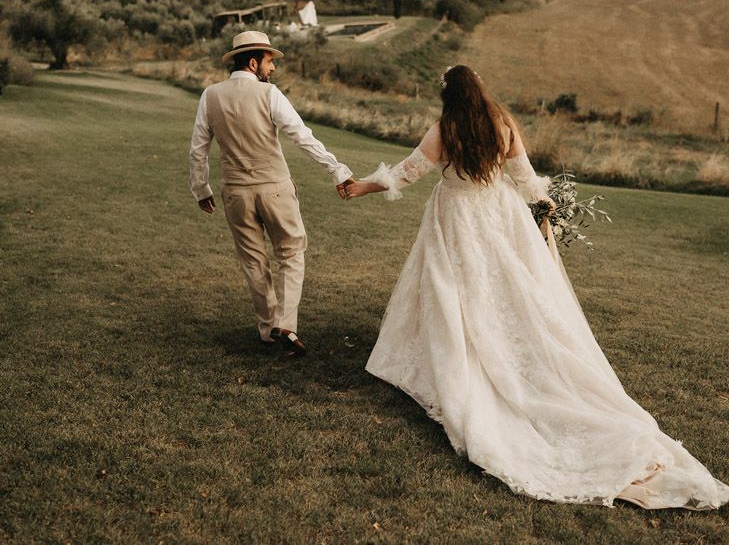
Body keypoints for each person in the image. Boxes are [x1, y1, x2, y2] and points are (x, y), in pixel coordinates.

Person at [344, 65, 729, 509]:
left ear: (449, 96)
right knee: (509, 291)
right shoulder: (502, 125)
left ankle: (463, 354)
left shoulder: (444, 130)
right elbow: (525, 178)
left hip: (459, 219)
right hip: (500, 215)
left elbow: (408, 173)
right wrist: (547, 205)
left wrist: (361, 189)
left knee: (455, 290)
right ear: (481, 91)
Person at [189, 30, 353, 356]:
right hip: (275, 189)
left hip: (235, 193)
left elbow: (198, 148)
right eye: (269, 61)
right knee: (291, 254)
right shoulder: (270, 94)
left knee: (253, 261)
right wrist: (337, 169)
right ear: (253, 62)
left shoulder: (210, 95)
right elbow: (301, 137)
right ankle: (286, 324)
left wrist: (201, 187)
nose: (273, 69)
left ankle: (267, 330)